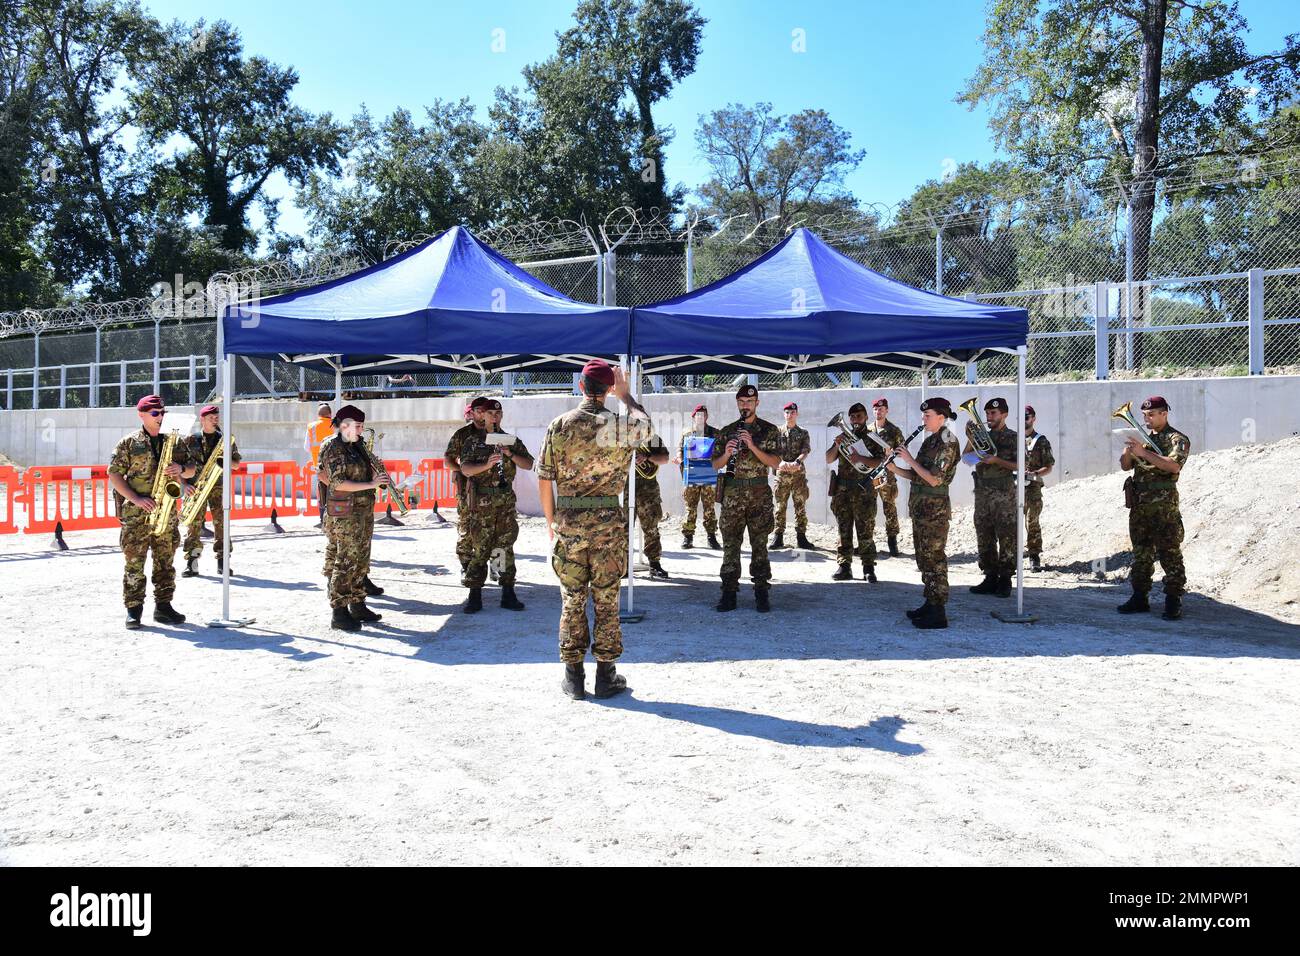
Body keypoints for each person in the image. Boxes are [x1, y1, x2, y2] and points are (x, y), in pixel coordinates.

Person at [537, 359, 652, 700]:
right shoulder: (619, 425)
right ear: (607, 390)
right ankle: (606, 676)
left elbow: (545, 478)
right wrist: (627, 396)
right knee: (606, 600)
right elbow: (646, 427)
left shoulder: (559, 426)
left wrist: (550, 522)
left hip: (569, 523)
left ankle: (573, 678)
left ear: (580, 387)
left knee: (572, 600)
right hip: (608, 525)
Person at [107, 394, 197, 628]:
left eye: (162, 412)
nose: (160, 417)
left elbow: (190, 469)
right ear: (142, 415)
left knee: (165, 561)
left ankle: (164, 608)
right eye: (155, 413)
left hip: (166, 513)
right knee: (134, 563)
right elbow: (114, 474)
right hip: (138, 514)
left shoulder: (174, 440)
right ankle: (134, 611)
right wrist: (136, 499)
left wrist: (181, 469)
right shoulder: (129, 442)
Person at [886, 397, 960, 629]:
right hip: (921, 509)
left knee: (935, 559)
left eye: (927, 416)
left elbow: (934, 479)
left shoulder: (948, 442)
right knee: (924, 557)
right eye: (923, 416)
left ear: (941, 417)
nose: (923, 420)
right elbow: (917, 474)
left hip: (934, 510)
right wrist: (895, 467)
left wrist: (908, 458)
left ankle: (939, 612)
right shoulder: (930, 441)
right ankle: (930, 602)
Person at [1118, 396, 1191, 621]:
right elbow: (1125, 467)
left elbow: (1173, 465)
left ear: (1164, 414)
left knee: (1169, 552)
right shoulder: (1145, 439)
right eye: (1144, 416)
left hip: (1163, 508)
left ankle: (1173, 599)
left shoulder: (1177, 438)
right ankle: (1140, 596)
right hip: (1140, 506)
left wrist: (1144, 453)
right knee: (1141, 553)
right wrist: (1129, 451)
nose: (1146, 419)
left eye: (1151, 415)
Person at [712, 384, 781, 612]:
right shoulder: (727, 431)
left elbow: (776, 463)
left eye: (749, 402)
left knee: (759, 545)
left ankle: (762, 592)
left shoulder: (770, 431)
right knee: (730, 545)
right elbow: (715, 465)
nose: (745, 405)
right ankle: (729, 593)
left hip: (759, 495)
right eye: (741, 402)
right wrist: (727, 453)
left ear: (757, 403)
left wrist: (752, 445)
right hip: (733, 495)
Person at [317, 405, 386, 632]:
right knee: (346, 560)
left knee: (361, 559)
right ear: (344, 425)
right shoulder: (334, 447)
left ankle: (358, 603)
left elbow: (364, 473)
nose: (360, 430)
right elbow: (337, 482)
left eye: (361, 426)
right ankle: (339, 612)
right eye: (357, 426)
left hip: (363, 509)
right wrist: (370, 484)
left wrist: (376, 476)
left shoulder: (357, 446)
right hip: (345, 512)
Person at [464, 397, 533, 611]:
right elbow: (466, 469)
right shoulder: (473, 441)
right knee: (481, 547)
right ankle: (475, 593)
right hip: (482, 502)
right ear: (482, 416)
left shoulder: (510, 439)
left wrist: (509, 454)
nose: (494, 417)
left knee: (504, 546)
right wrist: (487, 465)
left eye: (497, 413)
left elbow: (529, 464)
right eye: (490, 414)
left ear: (501, 416)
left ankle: (507, 591)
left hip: (504, 501)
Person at [966, 397, 1018, 598]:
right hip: (982, 494)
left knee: (1007, 536)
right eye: (987, 413)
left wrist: (996, 460)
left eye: (993, 413)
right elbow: (966, 458)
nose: (989, 417)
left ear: (1004, 414)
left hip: (1004, 494)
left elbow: (1022, 466)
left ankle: (1005, 578)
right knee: (984, 535)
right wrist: (969, 436)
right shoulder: (982, 436)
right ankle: (990, 576)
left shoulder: (1013, 437)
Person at [181, 404, 241, 577]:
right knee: (194, 525)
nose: (215, 421)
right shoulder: (191, 439)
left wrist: (225, 460)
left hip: (218, 486)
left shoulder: (225, 439)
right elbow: (181, 465)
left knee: (221, 524)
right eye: (211, 418)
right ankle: (192, 562)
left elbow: (236, 464)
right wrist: (184, 484)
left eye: (216, 418)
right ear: (202, 419)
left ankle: (223, 561)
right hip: (195, 488)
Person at [825, 402, 882, 583]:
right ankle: (844, 566)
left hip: (864, 490)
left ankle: (868, 568)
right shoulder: (843, 436)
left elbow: (880, 461)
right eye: (852, 417)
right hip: (843, 491)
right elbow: (828, 458)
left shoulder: (873, 437)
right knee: (844, 529)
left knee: (865, 530)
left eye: (859, 416)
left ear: (866, 417)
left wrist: (860, 458)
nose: (855, 419)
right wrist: (836, 445)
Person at [444, 397, 491, 592]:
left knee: (495, 531)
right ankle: (466, 566)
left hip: (493, 492)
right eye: (478, 411)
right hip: (469, 489)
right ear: (471, 413)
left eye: (484, 411)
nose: (481, 414)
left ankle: (497, 569)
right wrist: (461, 470)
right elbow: (448, 458)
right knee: (467, 527)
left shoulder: (496, 433)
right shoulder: (462, 434)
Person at [675, 404, 721, 550]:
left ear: (707, 417)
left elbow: (721, 451)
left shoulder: (715, 433)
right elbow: (679, 450)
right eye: (698, 415)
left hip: (708, 476)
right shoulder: (687, 434)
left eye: (703, 414)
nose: (700, 417)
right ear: (693, 417)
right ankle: (688, 537)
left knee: (709, 507)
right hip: (692, 477)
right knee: (690, 507)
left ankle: (711, 537)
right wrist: (679, 459)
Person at [628, 431, 671, 578]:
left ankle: (654, 564)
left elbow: (665, 458)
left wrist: (647, 457)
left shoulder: (652, 438)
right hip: (625, 487)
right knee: (623, 527)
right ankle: (623, 565)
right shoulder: (618, 436)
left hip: (648, 488)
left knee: (651, 526)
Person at [770, 401, 812, 550]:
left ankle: (801, 537)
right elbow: (773, 451)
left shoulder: (803, 432)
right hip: (782, 474)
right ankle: (778, 536)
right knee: (780, 506)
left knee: (800, 505)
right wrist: (781, 463)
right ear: (784, 414)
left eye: (792, 412)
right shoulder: (777, 432)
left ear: (797, 414)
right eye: (787, 412)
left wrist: (797, 462)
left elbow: (805, 450)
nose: (789, 415)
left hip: (798, 474)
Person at [867, 397, 906, 557]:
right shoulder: (868, 430)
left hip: (887, 475)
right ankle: (868, 540)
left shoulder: (894, 430)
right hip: (870, 473)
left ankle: (892, 541)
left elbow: (903, 449)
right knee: (869, 507)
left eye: (881, 409)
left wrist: (893, 453)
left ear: (887, 410)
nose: (878, 411)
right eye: (876, 409)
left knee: (889, 507)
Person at [1022, 405, 1055, 572]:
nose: (1024, 420)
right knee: (1010, 522)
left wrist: (1033, 473)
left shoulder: (1041, 440)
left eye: (1027, 416)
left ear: (1033, 418)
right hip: (1014, 487)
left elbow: (1048, 467)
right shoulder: (1013, 439)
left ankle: (1034, 555)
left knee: (1032, 520)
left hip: (1033, 486)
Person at [306, 402, 333, 527]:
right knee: (337, 491)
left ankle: (323, 520)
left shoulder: (311, 427)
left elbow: (307, 447)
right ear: (330, 414)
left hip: (320, 466)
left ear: (318, 415)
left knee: (322, 492)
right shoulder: (337, 425)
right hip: (336, 466)